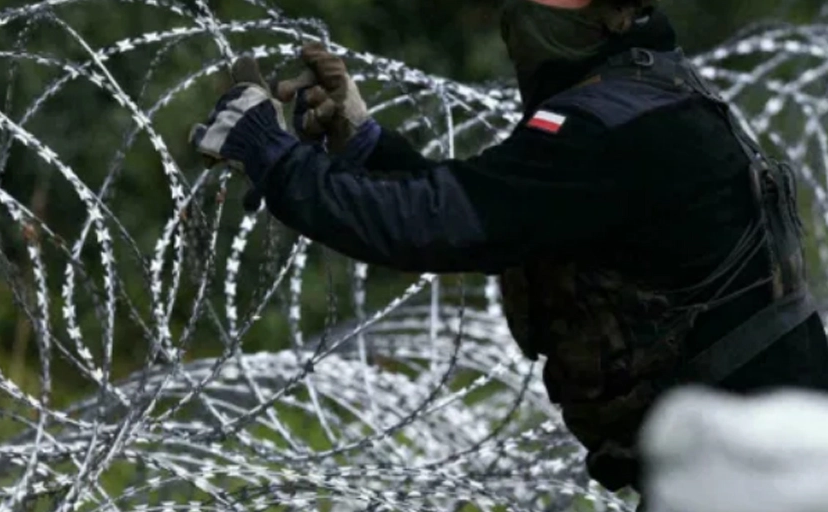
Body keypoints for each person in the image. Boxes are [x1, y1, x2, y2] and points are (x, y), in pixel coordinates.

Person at [190, 0, 828, 504]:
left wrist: (269, 152)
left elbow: (433, 225)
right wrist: (362, 142)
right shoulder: (655, 95)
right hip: (767, 452)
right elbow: (501, 214)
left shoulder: (611, 130)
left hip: (753, 472)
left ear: (614, 8)